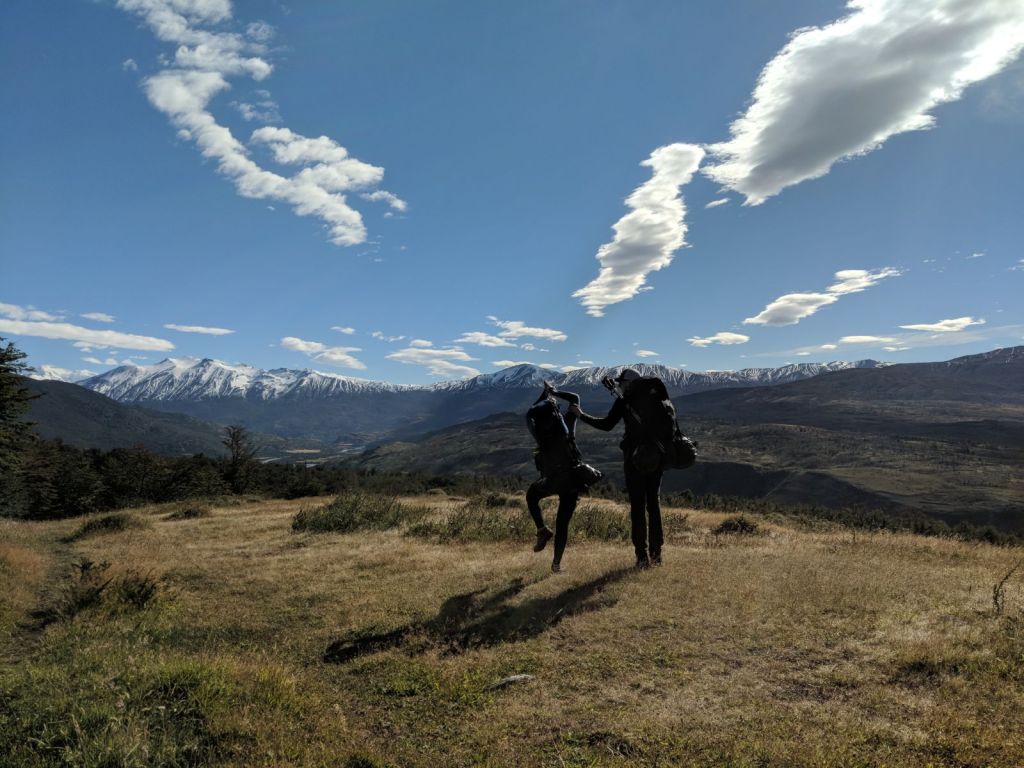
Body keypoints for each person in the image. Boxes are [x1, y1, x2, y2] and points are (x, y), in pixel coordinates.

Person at [571, 368, 664, 568]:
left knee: (638, 508)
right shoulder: (657, 398)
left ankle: (642, 557)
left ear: (628, 383)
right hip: (657, 458)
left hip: (634, 460)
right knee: (654, 506)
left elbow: (606, 425)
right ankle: (657, 555)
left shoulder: (625, 400)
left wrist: (581, 415)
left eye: (622, 382)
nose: (620, 385)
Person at [525, 381, 596, 573]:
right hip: (573, 479)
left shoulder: (540, 433)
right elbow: (575, 399)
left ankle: (542, 529)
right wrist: (553, 392)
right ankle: (556, 564)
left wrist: (543, 396)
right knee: (562, 522)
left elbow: (530, 414)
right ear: (555, 412)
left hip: (552, 480)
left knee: (532, 495)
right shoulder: (566, 427)